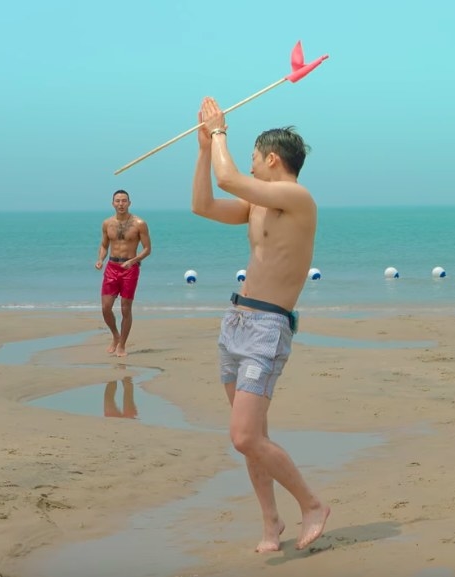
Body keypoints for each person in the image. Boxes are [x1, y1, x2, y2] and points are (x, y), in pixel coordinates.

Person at [190, 96, 328, 553]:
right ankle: (272, 523)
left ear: (271, 159)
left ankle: (311, 504)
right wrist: (204, 149)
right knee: (252, 439)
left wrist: (219, 131)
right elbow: (204, 204)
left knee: (244, 435)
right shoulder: (256, 207)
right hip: (236, 322)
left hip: (268, 327)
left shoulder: (297, 198)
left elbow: (229, 179)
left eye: (253, 156)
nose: (248, 165)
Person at [95, 190, 152, 357]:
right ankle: (115, 336)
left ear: (129, 203)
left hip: (130, 269)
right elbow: (104, 245)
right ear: (113, 203)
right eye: (118, 201)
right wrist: (100, 259)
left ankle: (122, 345)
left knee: (125, 309)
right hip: (112, 267)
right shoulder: (107, 223)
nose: (121, 204)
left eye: (124, 201)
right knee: (106, 308)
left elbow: (148, 249)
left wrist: (133, 261)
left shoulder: (139, 223)